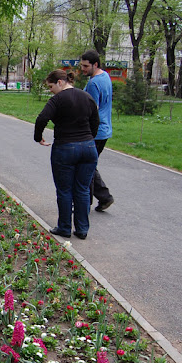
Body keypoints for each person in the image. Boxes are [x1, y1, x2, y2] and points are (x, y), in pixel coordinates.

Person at [34, 69, 99, 240]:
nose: (50, 90)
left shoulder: (57, 100)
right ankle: (82, 229)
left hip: (65, 148)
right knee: (83, 189)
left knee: (64, 190)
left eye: (51, 86)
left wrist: (38, 137)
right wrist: (89, 138)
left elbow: (42, 118)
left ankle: (64, 227)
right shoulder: (86, 97)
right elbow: (95, 120)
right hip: (88, 148)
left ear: (60, 82)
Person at [80, 49, 114, 212]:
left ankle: (88, 201)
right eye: (81, 66)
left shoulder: (94, 83)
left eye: (86, 66)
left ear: (95, 64)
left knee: (86, 166)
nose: (83, 69)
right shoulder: (105, 76)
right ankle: (102, 198)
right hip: (104, 129)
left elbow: (91, 109)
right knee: (90, 165)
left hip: (95, 131)